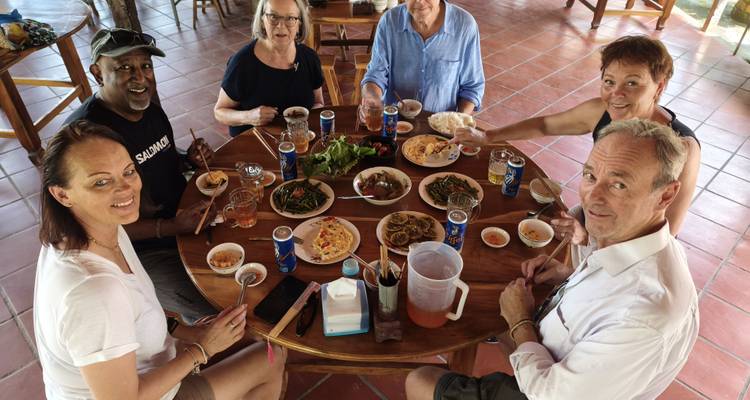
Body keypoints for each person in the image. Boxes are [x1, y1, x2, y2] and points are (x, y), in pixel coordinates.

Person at [406, 119, 699, 400]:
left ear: (666, 195)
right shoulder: (639, 240)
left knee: (420, 381)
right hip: (569, 364)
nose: (591, 197)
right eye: (590, 175)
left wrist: (520, 321)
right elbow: (609, 288)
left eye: (619, 185)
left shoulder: (644, 315)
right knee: (492, 306)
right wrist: (569, 278)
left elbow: (546, 394)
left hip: (549, 392)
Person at [34, 120, 287, 400]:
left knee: (265, 349)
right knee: (272, 357)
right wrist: (201, 350)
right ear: (61, 194)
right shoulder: (93, 292)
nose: (125, 189)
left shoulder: (95, 230)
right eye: (101, 181)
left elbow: (134, 313)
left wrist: (187, 331)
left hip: (151, 367)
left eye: (128, 171)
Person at [451, 35, 700, 235]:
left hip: (626, 245)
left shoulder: (680, 147)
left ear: (659, 86)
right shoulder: (601, 111)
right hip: (594, 214)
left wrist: (588, 237)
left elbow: (668, 233)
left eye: (632, 83)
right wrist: (487, 137)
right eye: (609, 82)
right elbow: (545, 125)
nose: (616, 94)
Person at [65, 28, 217, 322]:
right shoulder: (87, 138)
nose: (140, 76)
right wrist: (172, 226)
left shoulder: (151, 111)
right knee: (212, 304)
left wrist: (189, 158)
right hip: (140, 251)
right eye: (123, 68)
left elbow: (160, 157)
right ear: (97, 73)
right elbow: (94, 227)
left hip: (186, 219)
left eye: (145, 66)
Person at [214, 0, 324, 137]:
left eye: (290, 18)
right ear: (262, 21)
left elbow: (318, 102)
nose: (281, 26)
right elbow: (219, 112)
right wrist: (249, 116)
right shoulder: (242, 63)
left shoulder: (309, 58)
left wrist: (313, 115)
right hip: (255, 147)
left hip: (299, 142)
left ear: (299, 23)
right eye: (273, 17)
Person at [360, 0, 485, 115]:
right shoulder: (389, 22)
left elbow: (472, 87)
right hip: (395, 123)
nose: (419, 1)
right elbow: (375, 75)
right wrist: (372, 100)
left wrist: (458, 121)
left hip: (441, 128)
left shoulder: (465, 26)